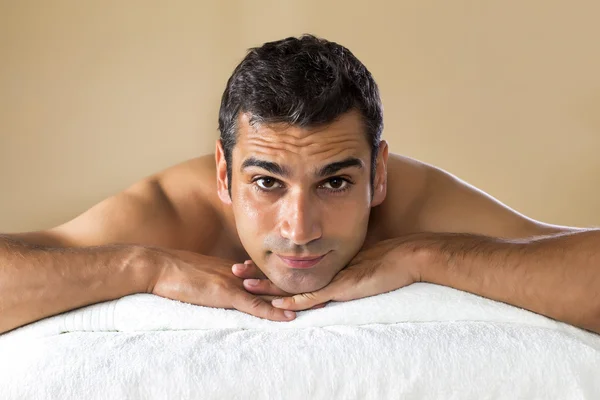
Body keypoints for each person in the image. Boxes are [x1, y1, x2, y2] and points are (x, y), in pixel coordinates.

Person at [1, 34, 598, 336]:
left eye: (335, 183)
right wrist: (143, 267)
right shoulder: (169, 214)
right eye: (266, 182)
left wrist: (429, 254)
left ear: (379, 173)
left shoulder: (414, 204)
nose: (300, 230)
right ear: (222, 175)